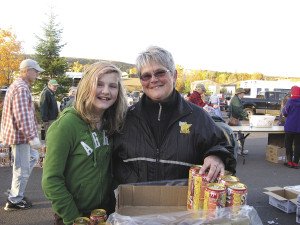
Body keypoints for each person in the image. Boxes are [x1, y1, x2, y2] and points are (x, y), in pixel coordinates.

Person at [113, 46, 236, 186]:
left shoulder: (198, 117)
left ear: (174, 75)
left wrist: (217, 156)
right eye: (146, 76)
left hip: (182, 205)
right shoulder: (125, 118)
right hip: (134, 205)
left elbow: (221, 146)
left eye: (160, 73)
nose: (153, 80)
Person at [42, 62, 128, 225]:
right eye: (99, 84)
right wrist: (74, 218)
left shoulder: (111, 123)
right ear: (87, 86)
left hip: (105, 215)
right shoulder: (66, 126)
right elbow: (51, 180)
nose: (106, 91)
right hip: (74, 217)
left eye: (112, 86)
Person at [1, 59, 44, 210]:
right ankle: (14, 200)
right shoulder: (21, 88)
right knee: (21, 169)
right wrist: (32, 137)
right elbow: (22, 116)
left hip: (20, 136)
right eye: (36, 71)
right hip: (21, 137)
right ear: (27, 70)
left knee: (33, 157)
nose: (37, 74)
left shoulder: (21, 86)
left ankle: (16, 192)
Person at [283, 85, 300, 169]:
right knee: (298, 145)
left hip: (290, 127)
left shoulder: (290, 101)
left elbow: (285, 112)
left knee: (288, 144)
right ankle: (296, 163)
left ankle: (290, 162)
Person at [228, 88, 248, 155]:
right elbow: (238, 110)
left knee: (238, 135)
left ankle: (239, 150)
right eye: (243, 93)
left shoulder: (236, 99)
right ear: (239, 93)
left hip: (235, 119)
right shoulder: (236, 100)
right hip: (234, 119)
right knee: (237, 135)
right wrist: (246, 115)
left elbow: (238, 110)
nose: (243, 95)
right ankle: (238, 150)